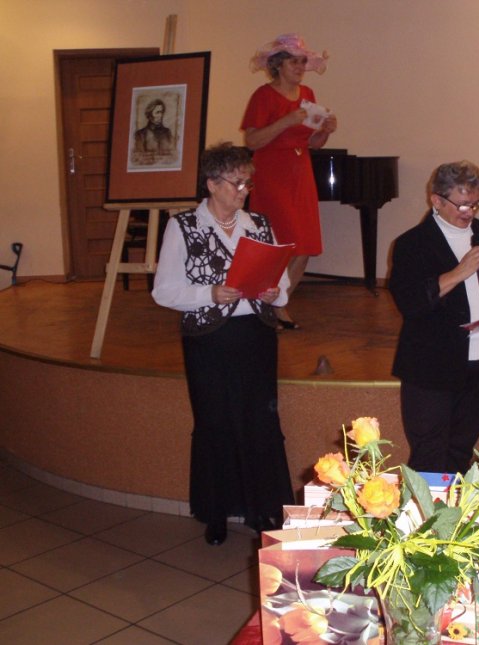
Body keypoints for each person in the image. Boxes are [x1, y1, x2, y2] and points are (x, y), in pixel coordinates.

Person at [152, 143, 295, 546]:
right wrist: (209, 294)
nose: (244, 190)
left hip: (256, 336)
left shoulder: (259, 224)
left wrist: (274, 293)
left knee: (260, 422)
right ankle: (216, 512)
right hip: (209, 340)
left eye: (248, 182)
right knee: (215, 422)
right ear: (212, 184)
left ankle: (261, 508)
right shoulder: (183, 226)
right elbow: (163, 291)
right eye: (236, 183)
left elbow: (282, 285)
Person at [389, 161, 479, 474]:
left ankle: (457, 508)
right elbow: (410, 302)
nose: (469, 212)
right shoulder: (412, 244)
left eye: (475, 203)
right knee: (428, 458)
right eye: (462, 204)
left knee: (461, 455)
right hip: (431, 369)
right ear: (436, 200)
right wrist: (460, 271)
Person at [241, 33, 338, 330]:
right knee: (280, 242)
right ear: (278, 65)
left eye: (302, 61)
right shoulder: (263, 95)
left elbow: (313, 143)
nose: (300, 67)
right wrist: (286, 120)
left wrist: (326, 131)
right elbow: (252, 141)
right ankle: (264, 303)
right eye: (294, 62)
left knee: (306, 244)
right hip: (272, 173)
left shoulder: (307, 92)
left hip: (301, 171)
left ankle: (280, 303)